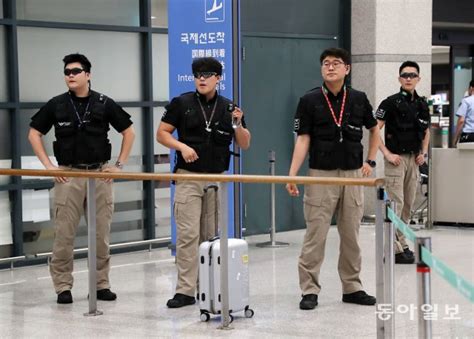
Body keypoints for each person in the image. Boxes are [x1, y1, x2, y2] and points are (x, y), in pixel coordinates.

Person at [28, 53, 135, 304]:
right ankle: (63, 286)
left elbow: (129, 132)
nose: (70, 76)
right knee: (64, 235)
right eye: (67, 72)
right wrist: (49, 166)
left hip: (99, 175)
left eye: (75, 71)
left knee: (101, 236)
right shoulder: (56, 104)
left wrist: (118, 165)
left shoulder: (104, 102)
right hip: (69, 176)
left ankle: (100, 285)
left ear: (88, 74)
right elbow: (34, 133)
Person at [286, 47, 379, 310]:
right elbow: (303, 139)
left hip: (352, 175)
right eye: (325, 63)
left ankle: (352, 287)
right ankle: (309, 290)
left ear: (347, 69)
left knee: (351, 234)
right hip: (320, 175)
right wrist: (292, 174)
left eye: (336, 63)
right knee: (315, 235)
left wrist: (370, 161)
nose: (330, 67)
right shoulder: (309, 100)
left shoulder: (359, 98)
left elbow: (374, 130)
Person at [157, 57, 251, 308]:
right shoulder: (182, 103)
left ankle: (207, 287)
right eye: (197, 74)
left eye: (207, 74)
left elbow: (244, 142)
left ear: (218, 78)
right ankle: (185, 291)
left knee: (210, 236)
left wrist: (238, 124)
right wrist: (181, 146)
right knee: (188, 236)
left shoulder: (230, 108)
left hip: (216, 179)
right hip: (188, 177)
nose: (201, 78)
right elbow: (162, 134)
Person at [376, 61, 430, 264]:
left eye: (412, 75)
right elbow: (374, 130)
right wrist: (387, 153)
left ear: (418, 79)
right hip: (396, 161)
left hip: (413, 160)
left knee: (408, 204)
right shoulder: (389, 103)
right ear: (399, 78)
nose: (408, 78)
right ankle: (394, 249)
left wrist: (423, 153)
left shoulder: (422, 104)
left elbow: (426, 132)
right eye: (405, 75)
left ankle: (402, 244)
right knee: (395, 204)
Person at [454, 80, 474, 145]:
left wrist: (456, 138)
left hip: (469, 135)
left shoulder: (466, 101)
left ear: (471, 88)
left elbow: (461, 121)